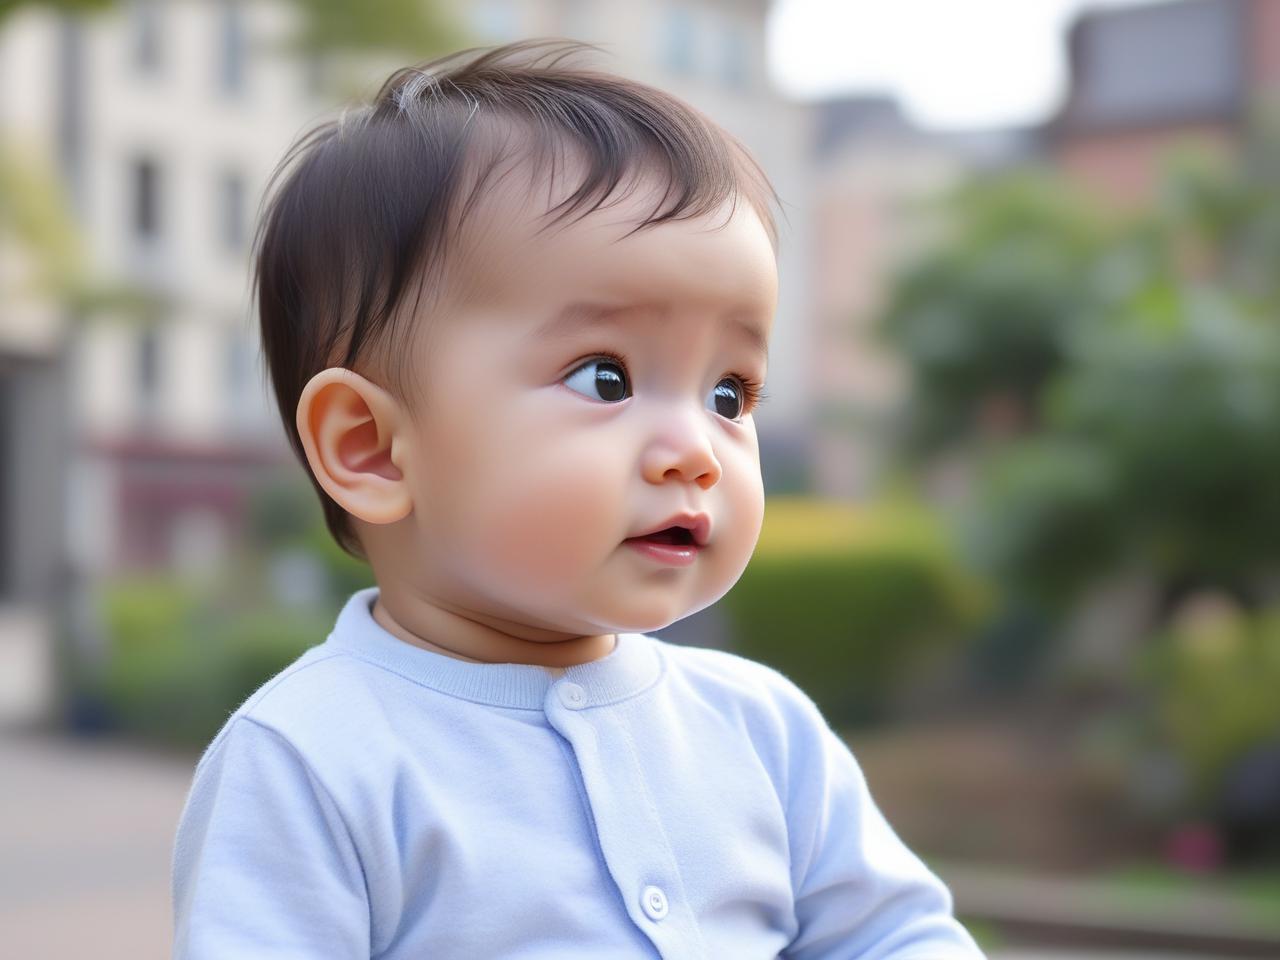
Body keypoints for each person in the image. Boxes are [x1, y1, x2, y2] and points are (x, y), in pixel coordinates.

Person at [171, 38, 986, 959]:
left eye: (730, 394)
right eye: (605, 378)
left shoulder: (764, 732)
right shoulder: (311, 761)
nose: (696, 451)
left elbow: (897, 935)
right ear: (373, 450)